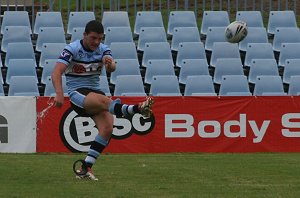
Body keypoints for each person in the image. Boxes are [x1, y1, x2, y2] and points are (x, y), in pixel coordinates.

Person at [51, 20, 154, 180]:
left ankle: (85, 169)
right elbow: (56, 72)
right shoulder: (72, 49)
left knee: (107, 129)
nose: (97, 42)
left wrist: (110, 64)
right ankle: (136, 109)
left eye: (100, 38)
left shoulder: (103, 49)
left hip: (95, 92)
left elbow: (111, 67)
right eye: (93, 38)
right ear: (84, 35)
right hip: (78, 94)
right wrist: (59, 93)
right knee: (106, 101)